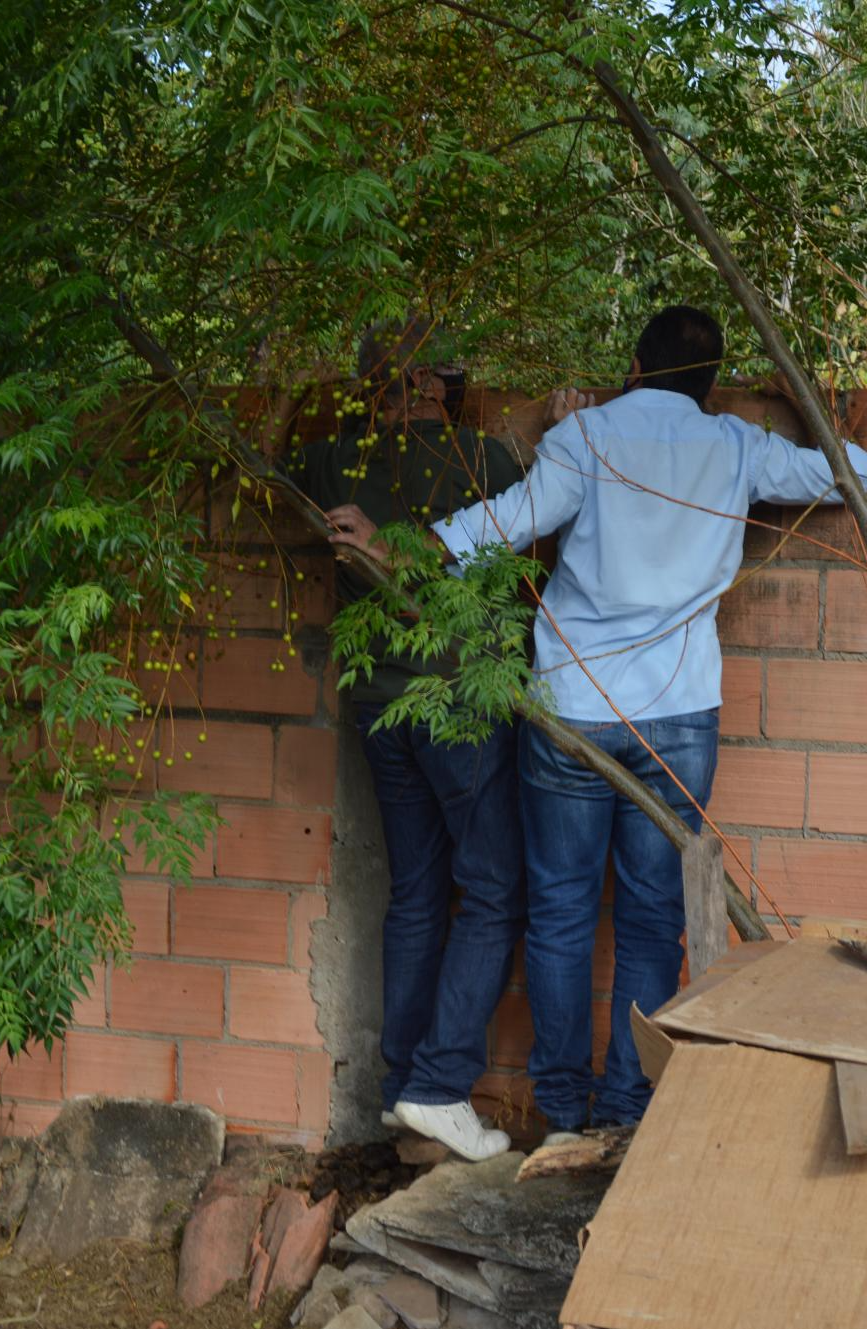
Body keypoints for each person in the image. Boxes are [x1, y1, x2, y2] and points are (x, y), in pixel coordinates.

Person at [327, 305, 867, 1138]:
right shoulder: (735, 444)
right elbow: (853, 473)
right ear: (710, 381)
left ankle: (561, 1108)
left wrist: (398, 550)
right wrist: (807, 408)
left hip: (571, 714)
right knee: (654, 919)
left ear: (633, 364)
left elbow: (502, 525)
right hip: (679, 716)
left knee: (558, 911)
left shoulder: (585, 438)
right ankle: (626, 1108)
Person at [296, 319, 567, 1161]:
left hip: (378, 707)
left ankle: (398, 1090)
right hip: (462, 707)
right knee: (492, 890)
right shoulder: (479, 461)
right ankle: (439, 1084)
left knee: (416, 892)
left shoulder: (337, 461)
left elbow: (278, 457)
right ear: (442, 385)